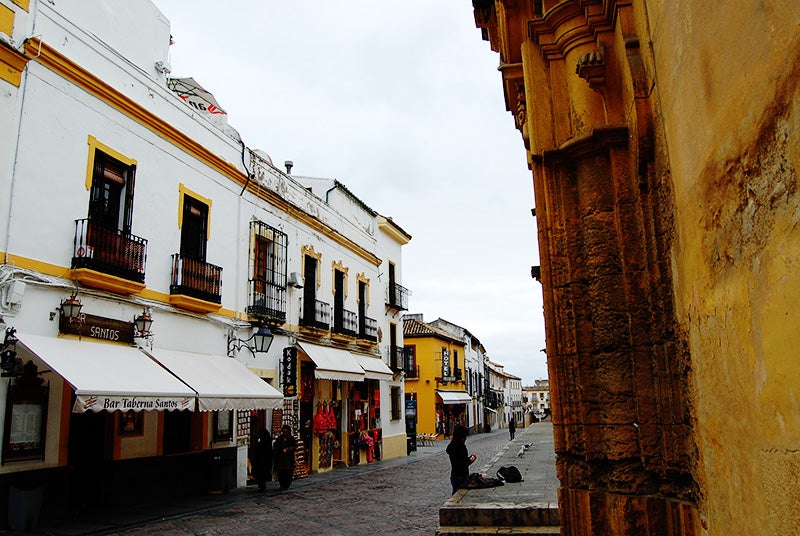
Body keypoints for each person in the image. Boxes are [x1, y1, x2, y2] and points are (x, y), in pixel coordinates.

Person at [446, 424, 476, 494]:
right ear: (461, 437)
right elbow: (462, 463)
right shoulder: (460, 447)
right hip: (462, 476)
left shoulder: (452, 445)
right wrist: (471, 459)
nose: (466, 438)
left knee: (455, 492)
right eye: (464, 436)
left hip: (454, 475)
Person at [273, 425, 297, 490]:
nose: (284, 433)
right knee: (281, 472)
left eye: (286, 432)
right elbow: (276, 446)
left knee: (288, 472)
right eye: (283, 432)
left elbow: (294, 447)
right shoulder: (280, 438)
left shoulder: (291, 438)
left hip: (289, 459)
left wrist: (288, 449)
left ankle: (286, 485)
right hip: (281, 459)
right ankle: (282, 485)